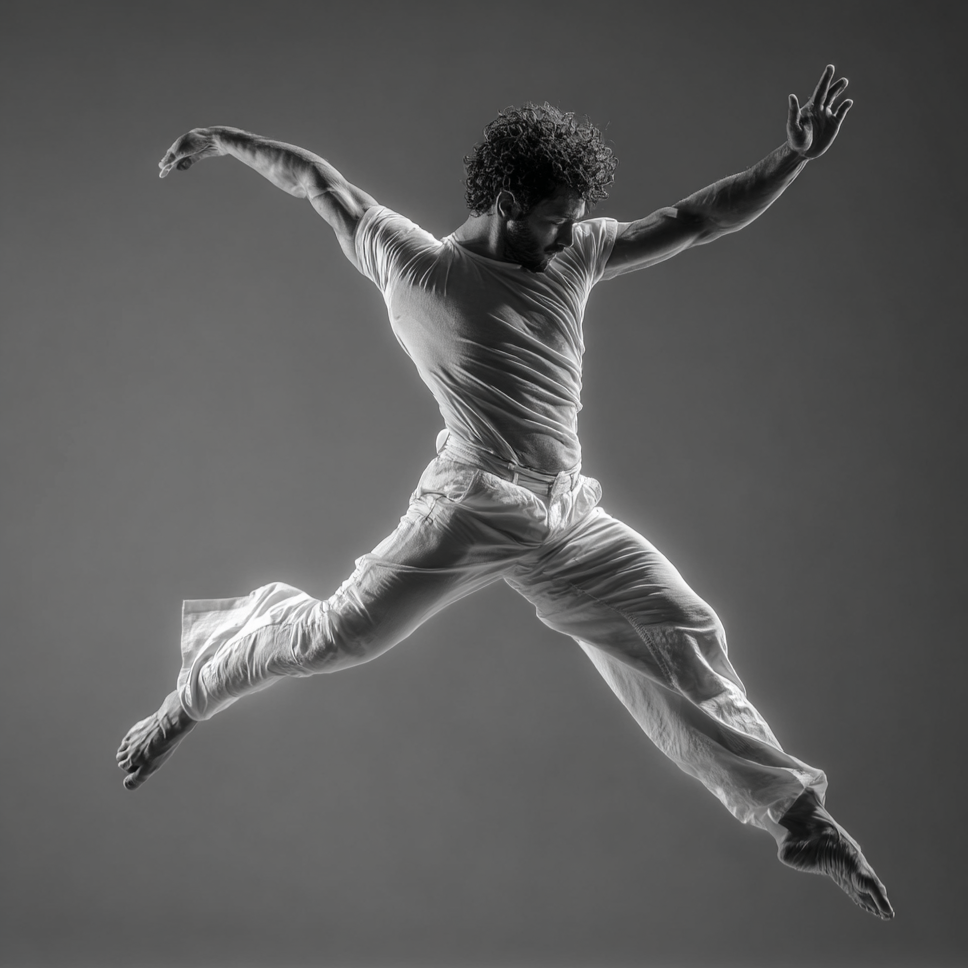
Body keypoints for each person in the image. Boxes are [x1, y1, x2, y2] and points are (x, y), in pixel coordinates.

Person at [117, 65, 894, 920]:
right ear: (507, 200)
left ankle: (798, 816)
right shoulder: (414, 265)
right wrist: (224, 141)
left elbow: (696, 221)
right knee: (335, 640)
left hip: (567, 515)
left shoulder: (581, 254)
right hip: (472, 505)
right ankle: (187, 699)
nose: (569, 238)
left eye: (573, 220)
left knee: (684, 627)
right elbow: (316, 182)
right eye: (555, 219)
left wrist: (791, 158)